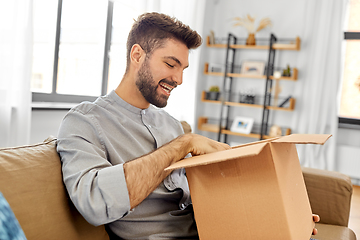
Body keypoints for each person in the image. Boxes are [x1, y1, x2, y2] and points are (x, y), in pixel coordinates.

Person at [57, 12, 319, 239]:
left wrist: (275, 215)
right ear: (137, 55)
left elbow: (201, 196)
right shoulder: (84, 121)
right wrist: (184, 143)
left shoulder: (170, 124)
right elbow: (94, 202)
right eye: (170, 64)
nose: (179, 79)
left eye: (183, 68)